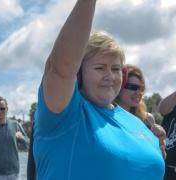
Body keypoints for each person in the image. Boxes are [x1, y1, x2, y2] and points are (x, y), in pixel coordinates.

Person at [33, 0, 165, 179]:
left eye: (116, 69)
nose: (109, 75)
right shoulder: (65, 117)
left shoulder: (135, 122)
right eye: (100, 68)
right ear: (78, 74)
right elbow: (60, 67)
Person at [115, 64, 166, 158]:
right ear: (119, 86)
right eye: (132, 87)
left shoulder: (147, 119)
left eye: (141, 88)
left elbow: (161, 157)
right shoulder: (107, 118)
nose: (138, 93)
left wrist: (161, 141)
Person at [0, 96, 29, 180]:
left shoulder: (15, 124)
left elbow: (28, 144)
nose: (0, 111)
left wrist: (22, 138)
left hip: (14, 174)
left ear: (7, 109)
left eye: (2, 108)